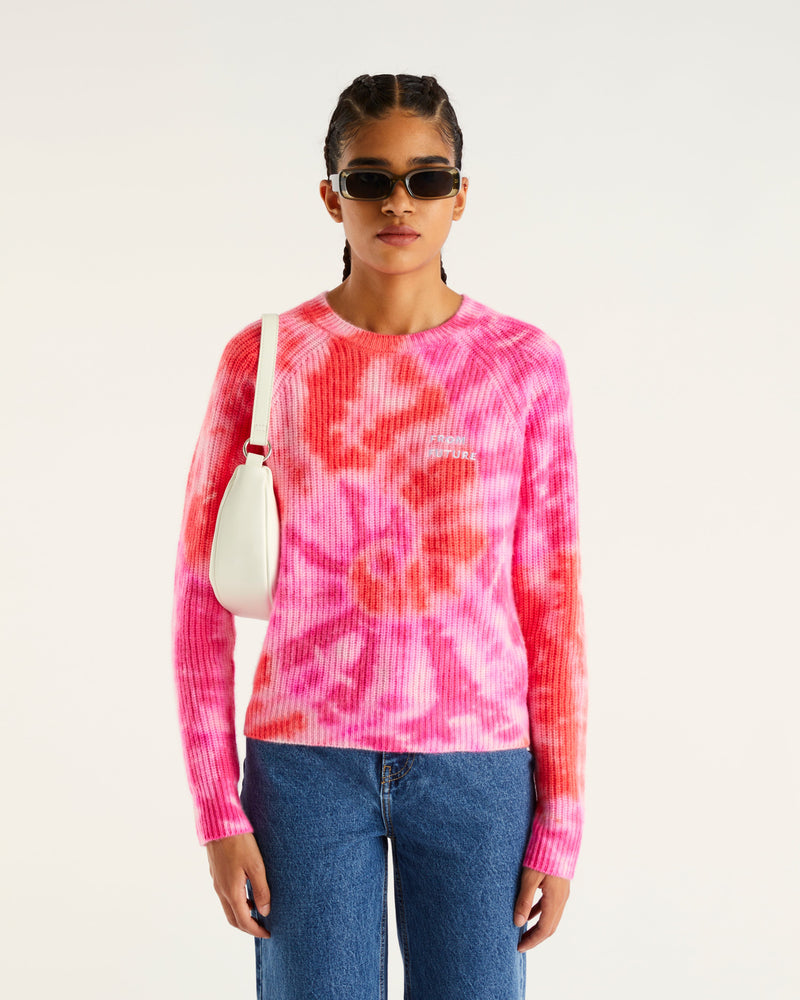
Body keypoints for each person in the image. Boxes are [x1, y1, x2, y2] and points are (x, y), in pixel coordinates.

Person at [172, 72, 587, 1000]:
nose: (400, 201)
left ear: (460, 195)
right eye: (370, 180)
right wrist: (217, 809)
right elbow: (200, 598)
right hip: (303, 771)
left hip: (480, 771)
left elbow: (551, 603)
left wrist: (559, 823)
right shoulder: (265, 359)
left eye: (427, 179)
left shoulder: (523, 367)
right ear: (333, 197)